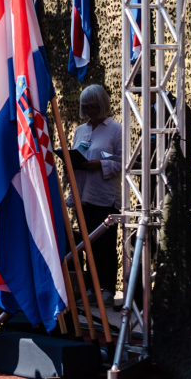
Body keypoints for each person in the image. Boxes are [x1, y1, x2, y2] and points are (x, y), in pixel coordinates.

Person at [69, 84, 122, 305]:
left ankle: (108, 288)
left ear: (102, 105)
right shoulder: (81, 130)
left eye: (93, 106)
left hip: (104, 196)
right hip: (83, 194)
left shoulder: (116, 129)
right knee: (87, 243)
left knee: (106, 244)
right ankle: (90, 287)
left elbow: (125, 162)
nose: (90, 111)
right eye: (86, 107)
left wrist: (100, 165)